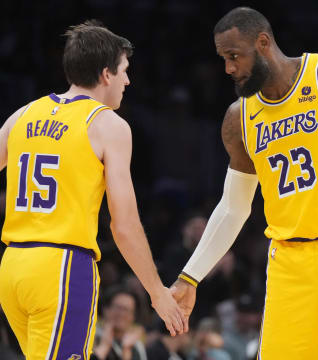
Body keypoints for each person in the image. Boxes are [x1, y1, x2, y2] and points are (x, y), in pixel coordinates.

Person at [171, 6, 318, 360]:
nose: (228, 68)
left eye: (234, 56)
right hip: (290, 264)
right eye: (223, 59)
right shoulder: (239, 118)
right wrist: (189, 276)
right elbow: (233, 207)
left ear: (262, 42)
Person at [0, 20, 184, 360]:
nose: (128, 80)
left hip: (12, 268)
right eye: (124, 71)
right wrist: (157, 292)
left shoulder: (22, 115)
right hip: (62, 267)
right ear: (105, 74)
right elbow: (124, 226)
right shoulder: (108, 125)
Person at [92, 286, 147, 360]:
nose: (122, 314)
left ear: (133, 317)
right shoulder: (90, 337)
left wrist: (126, 350)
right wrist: (104, 346)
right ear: (105, 309)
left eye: (127, 310)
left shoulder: (136, 347)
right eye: (118, 308)